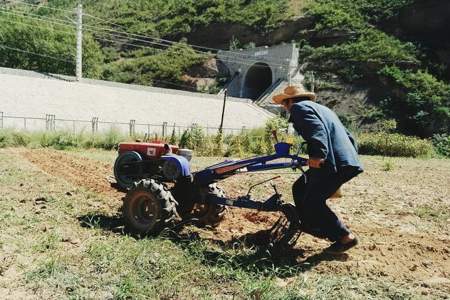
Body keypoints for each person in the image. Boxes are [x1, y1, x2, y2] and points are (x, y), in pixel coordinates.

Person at [272, 86, 363, 253]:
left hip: (331, 162)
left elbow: (317, 130)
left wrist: (318, 155)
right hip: (343, 160)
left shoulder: (298, 108)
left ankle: (345, 237)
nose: (285, 108)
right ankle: (308, 223)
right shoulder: (323, 109)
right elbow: (348, 134)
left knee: (313, 202)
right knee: (300, 187)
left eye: (284, 104)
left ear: (289, 101)